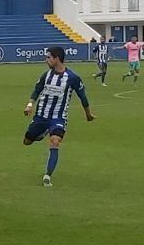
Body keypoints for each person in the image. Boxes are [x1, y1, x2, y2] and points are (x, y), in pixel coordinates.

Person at [23, 46, 95, 187]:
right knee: (27, 141)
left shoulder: (72, 78)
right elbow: (36, 91)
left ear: (57, 58)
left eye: (48, 57)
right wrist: (29, 105)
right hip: (41, 116)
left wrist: (88, 114)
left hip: (58, 118)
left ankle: (47, 176)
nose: (46, 60)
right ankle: (41, 132)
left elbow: (83, 97)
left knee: (55, 141)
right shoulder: (46, 75)